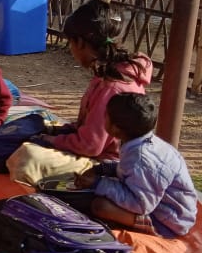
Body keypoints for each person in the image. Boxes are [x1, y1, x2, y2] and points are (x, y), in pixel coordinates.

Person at [6, 1, 152, 185]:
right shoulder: (110, 75)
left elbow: (90, 146)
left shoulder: (112, 87)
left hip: (107, 165)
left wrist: (51, 140)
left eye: (71, 43)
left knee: (27, 158)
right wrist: (58, 132)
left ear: (80, 43)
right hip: (100, 153)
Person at [73, 93, 197, 238]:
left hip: (168, 222)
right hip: (154, 203)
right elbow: (128, 170)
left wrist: (99, 183)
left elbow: (140, 205)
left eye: (106, 116)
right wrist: (102, 169)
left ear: (116, 128)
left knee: (100, 206)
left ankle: (145, 227)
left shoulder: (142, 159)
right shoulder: (138, 143)